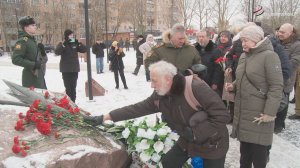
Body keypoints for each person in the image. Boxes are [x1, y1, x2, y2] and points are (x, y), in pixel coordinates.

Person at [84, 60, 230, 168]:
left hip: (213, 142)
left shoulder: (195, 87)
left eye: (154, 81)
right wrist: (105, 117)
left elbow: (222, 115)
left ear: (168, 79)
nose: (152, 85)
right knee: (169, 163)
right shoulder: (160, 96)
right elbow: (137, 109)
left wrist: (195, 133)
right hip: (188, 139)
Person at [225, 25, 283, 168]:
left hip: (260, 114)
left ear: (257, 39)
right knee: (244, 156)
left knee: (259, 156)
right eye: (242, 40)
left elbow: (276, 86)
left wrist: (270, 113)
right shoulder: (245, 55)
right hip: (244, 111)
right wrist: (233, 85)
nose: (243, 43)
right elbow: (243, 77)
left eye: (246, 40)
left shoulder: (270, 56)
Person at [12, 16, 47, 89]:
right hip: (31, 79)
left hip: (39, 77)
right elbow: (16, 59)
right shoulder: (22, 41)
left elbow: (41, 61)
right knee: (35, 100)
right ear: (26, 27)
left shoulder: (32, 41)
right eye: (33, 25)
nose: (35, 27)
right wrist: (33, 65)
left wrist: (43, 53)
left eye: (35, 25)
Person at [54, 29, 87, 103]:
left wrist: (78, 43)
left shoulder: (74, 43)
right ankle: (69, 103)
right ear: (66, 36)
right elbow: (57, 52)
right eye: (70, 35)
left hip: (74, 69)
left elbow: (84, 49)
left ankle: (73, 103)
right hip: (65, 69)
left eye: (72, 35)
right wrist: (64, 44)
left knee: (73, 87)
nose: (72, 36)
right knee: (68, 88)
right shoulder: (62, 43)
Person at [276, 23, 300, 121]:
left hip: (287, 78)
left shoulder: (297, 45)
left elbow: (295, 62)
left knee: (283, 102)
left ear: (291, 33)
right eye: (279, 31)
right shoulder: (276, 42)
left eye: (282, 32)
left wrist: (277, 67)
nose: (279, 34)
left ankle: (279, 125)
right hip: (274, 76)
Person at [195, 30, 223, 96]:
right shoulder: (194, 49)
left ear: (208, 37)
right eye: (199, 37)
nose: (200, 39)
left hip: (209, 82)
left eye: (202, 37)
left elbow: (218, 68)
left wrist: (215, 83)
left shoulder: (216, 50)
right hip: (197, 81)